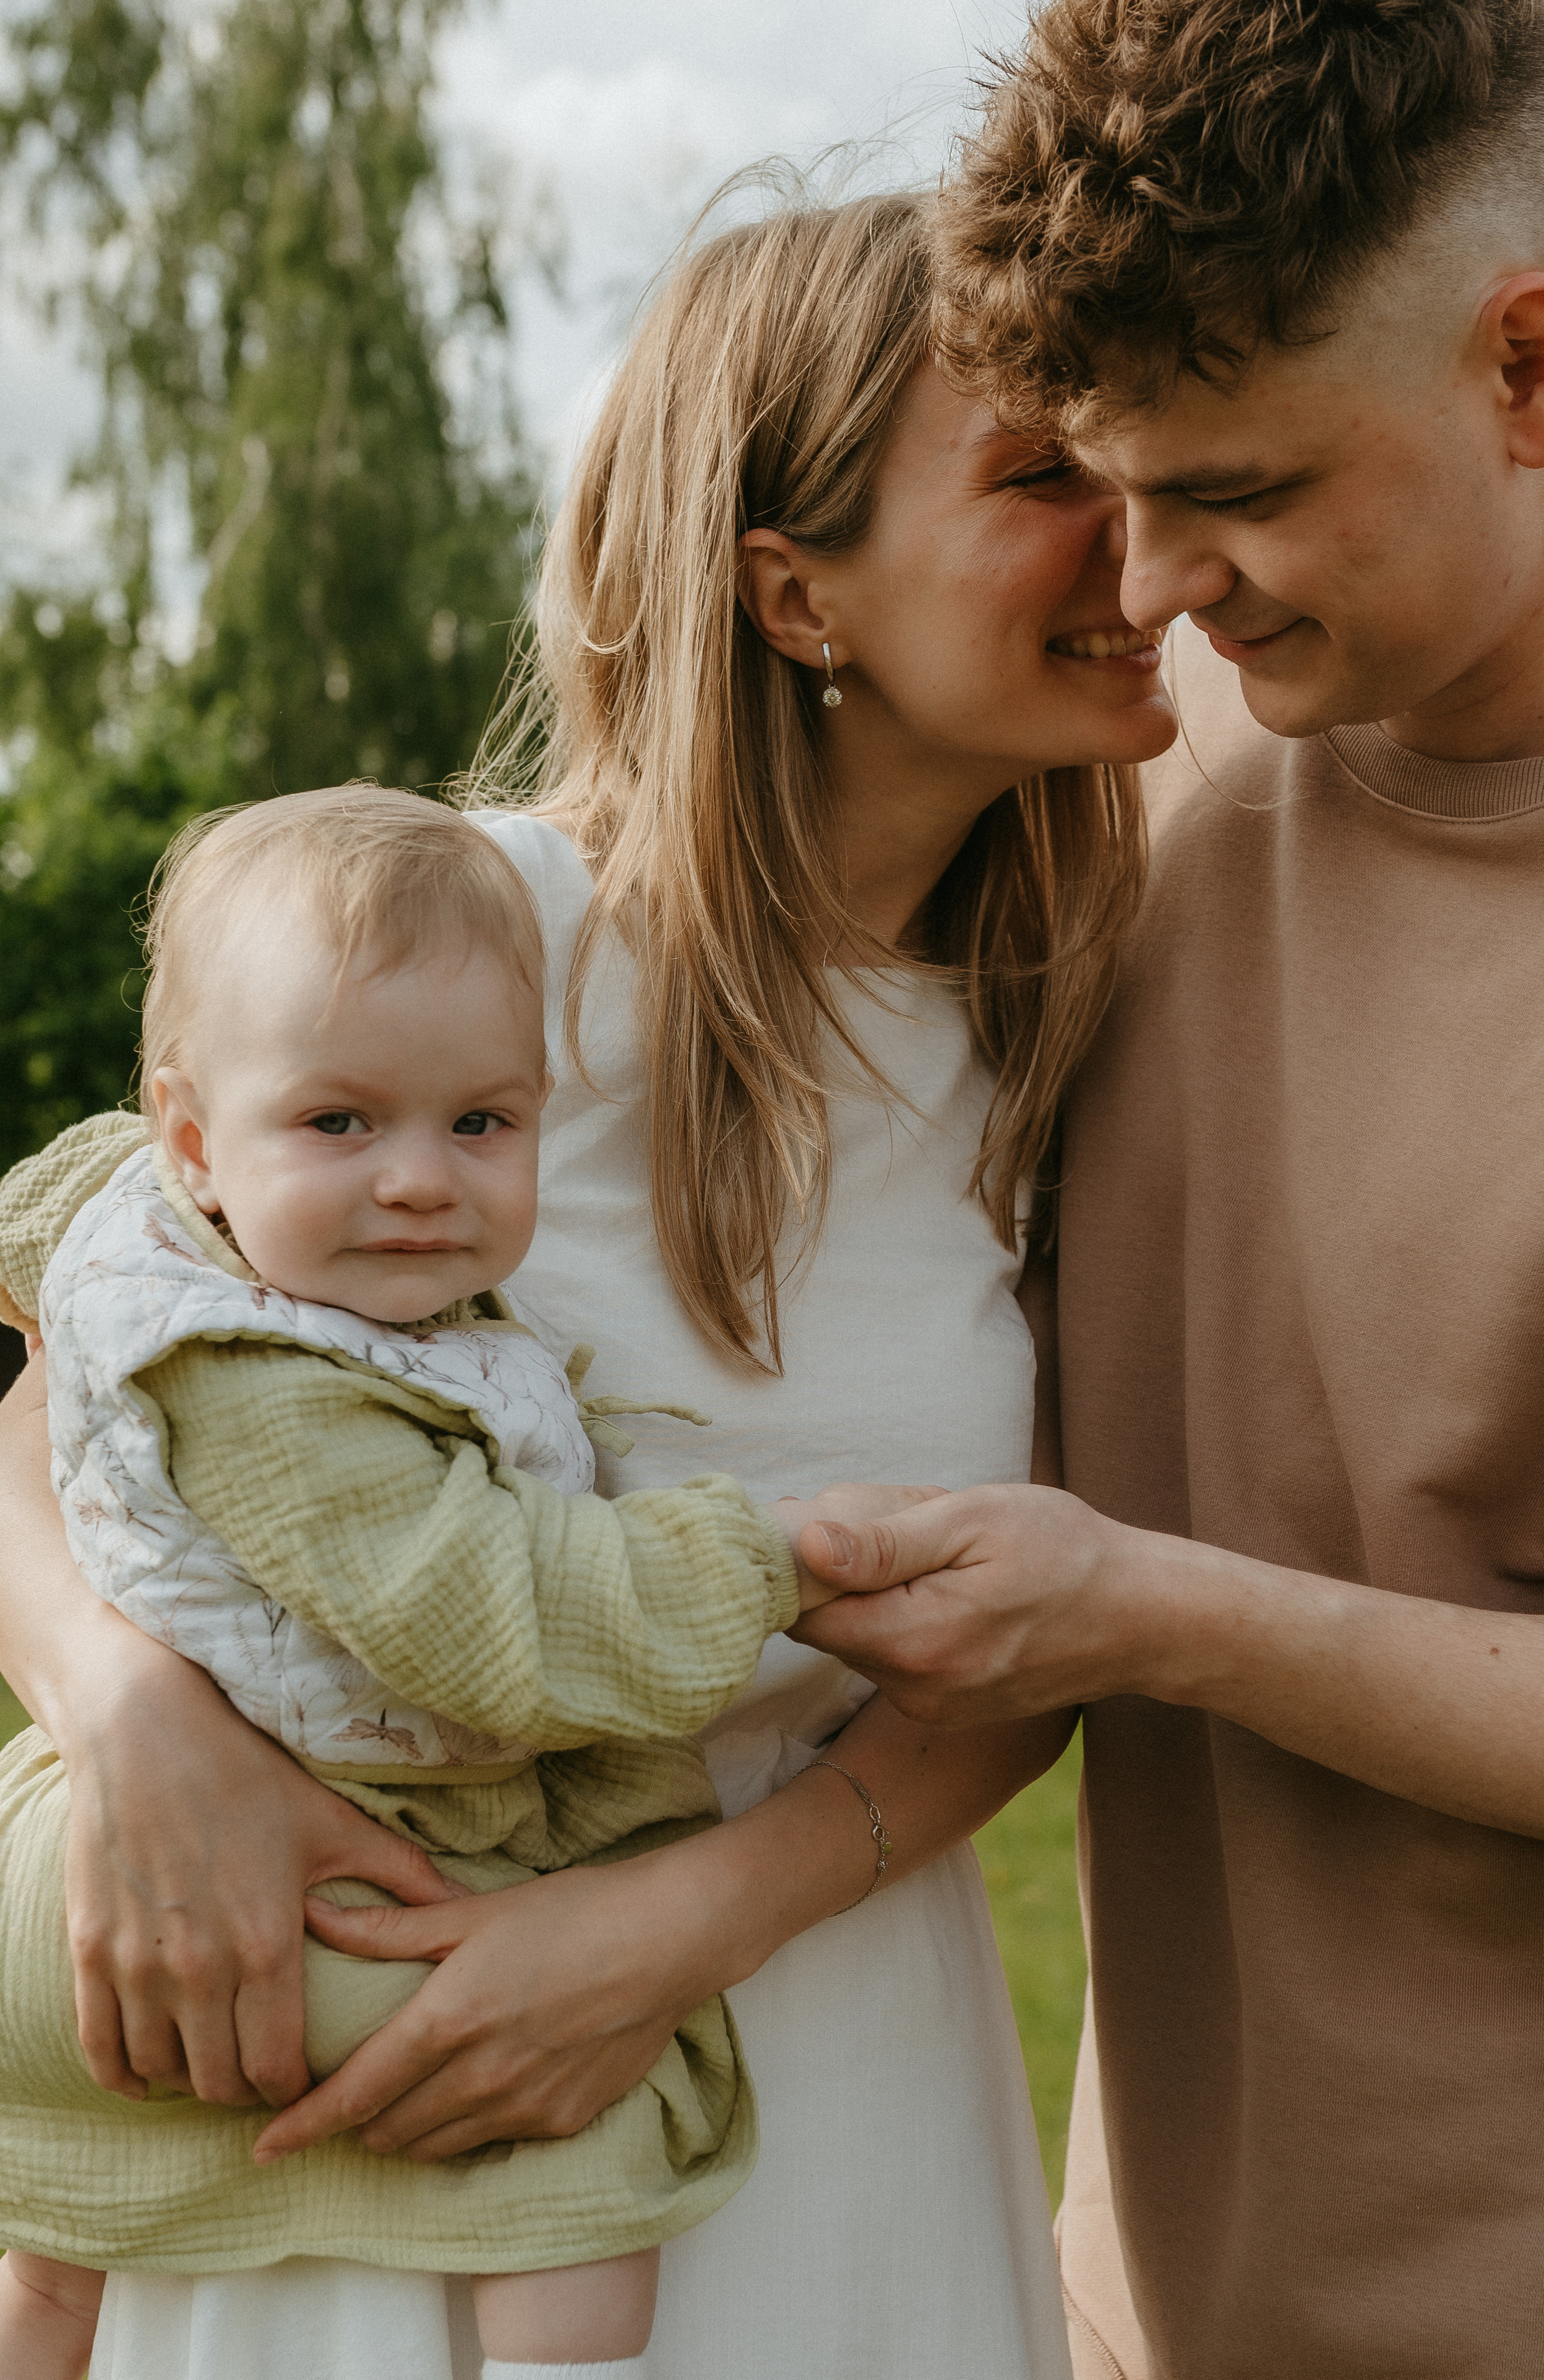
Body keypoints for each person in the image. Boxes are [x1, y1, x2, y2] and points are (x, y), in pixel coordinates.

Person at [0, 189, 1175, 2380]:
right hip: (359, 2088)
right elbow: (85, 1368)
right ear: (788, 587)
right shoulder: (459, 955)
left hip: (828, 2079)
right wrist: (126, 1708)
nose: (1148, 534)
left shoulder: (1085, 1036)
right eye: (1044, 475)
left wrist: (654, 1939)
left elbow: (1048, 1643)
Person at [792, 6, 1544, 2378]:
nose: (1142, 590)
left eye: (1230, 485)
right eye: (1097, 482)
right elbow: (278, 1159)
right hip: (1124, 2325)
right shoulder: (1107, 775)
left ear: (1533, 370)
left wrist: (1154, 1617)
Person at [0, 781, 890, 2380]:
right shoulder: (263, 1379)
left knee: (64, 2233)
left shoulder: (203, 1249)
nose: (420, 1179)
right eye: (341, 1124)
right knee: (583, 2123)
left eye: (482, 1124)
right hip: (253, 1855)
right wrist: (764, 1557)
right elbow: (498, 1616)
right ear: (192, 1142)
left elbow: (71, 1214)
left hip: (198, 1847)